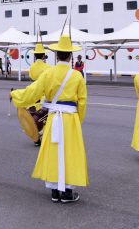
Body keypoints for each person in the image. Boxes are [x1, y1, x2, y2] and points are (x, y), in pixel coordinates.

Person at [10, 34, 88, 203]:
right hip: (70, 118)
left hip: (53, 118)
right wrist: (77, 120)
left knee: (53, 150)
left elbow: (32, 92)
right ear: (71, 56)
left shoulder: (48, 73)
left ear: (55, 55)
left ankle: (54, 191)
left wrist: (14, 94)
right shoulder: (77, 76)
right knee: (69, 152)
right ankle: (68, 192)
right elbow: (82, 102)